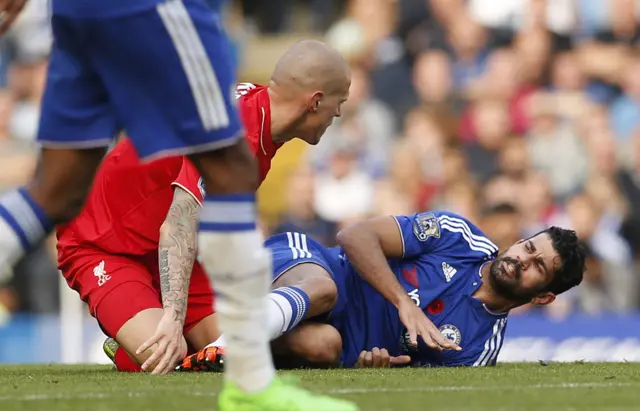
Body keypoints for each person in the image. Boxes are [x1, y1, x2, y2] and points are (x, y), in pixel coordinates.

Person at [0, 0, 353, 400]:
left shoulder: (262, 125)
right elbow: (178, 222)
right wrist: (172, 317)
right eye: (340, 101)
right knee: (170, 352)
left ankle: (238, 372)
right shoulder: (241, 125)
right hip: (103, 245)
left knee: (260, 345)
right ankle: (146, 342)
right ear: (315, 100)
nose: (340, 112)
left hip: (171, 246)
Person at [179, 211, 585, 370]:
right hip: (311, 267)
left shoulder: (479, 351)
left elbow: (412, 380)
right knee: (322, 290)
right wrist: (403, 305)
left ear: (543, 296)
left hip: (340, 339)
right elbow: (354, 235)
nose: (522, 260)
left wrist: (373, 368)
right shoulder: (460, 238)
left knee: (322, 346)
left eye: (538, 268)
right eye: (528, 247)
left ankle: (197, 344)